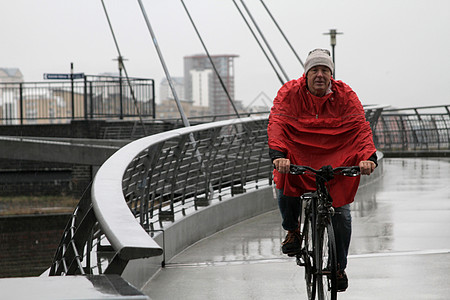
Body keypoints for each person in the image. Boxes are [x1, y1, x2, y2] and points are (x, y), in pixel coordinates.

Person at [267, 48, 377, 292]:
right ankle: (293, 231)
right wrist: (278, 154)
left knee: (342, 214)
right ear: (305, 73)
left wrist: (367, 156)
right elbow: (277, 123)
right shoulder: (289, 93)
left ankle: (338, 267)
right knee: (284, 179)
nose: (319, 75)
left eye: (325, 70)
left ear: (331, 75)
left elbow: (360, 127)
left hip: (336, 157)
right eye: (314, 70)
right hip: (300, 153)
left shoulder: (346, 95)